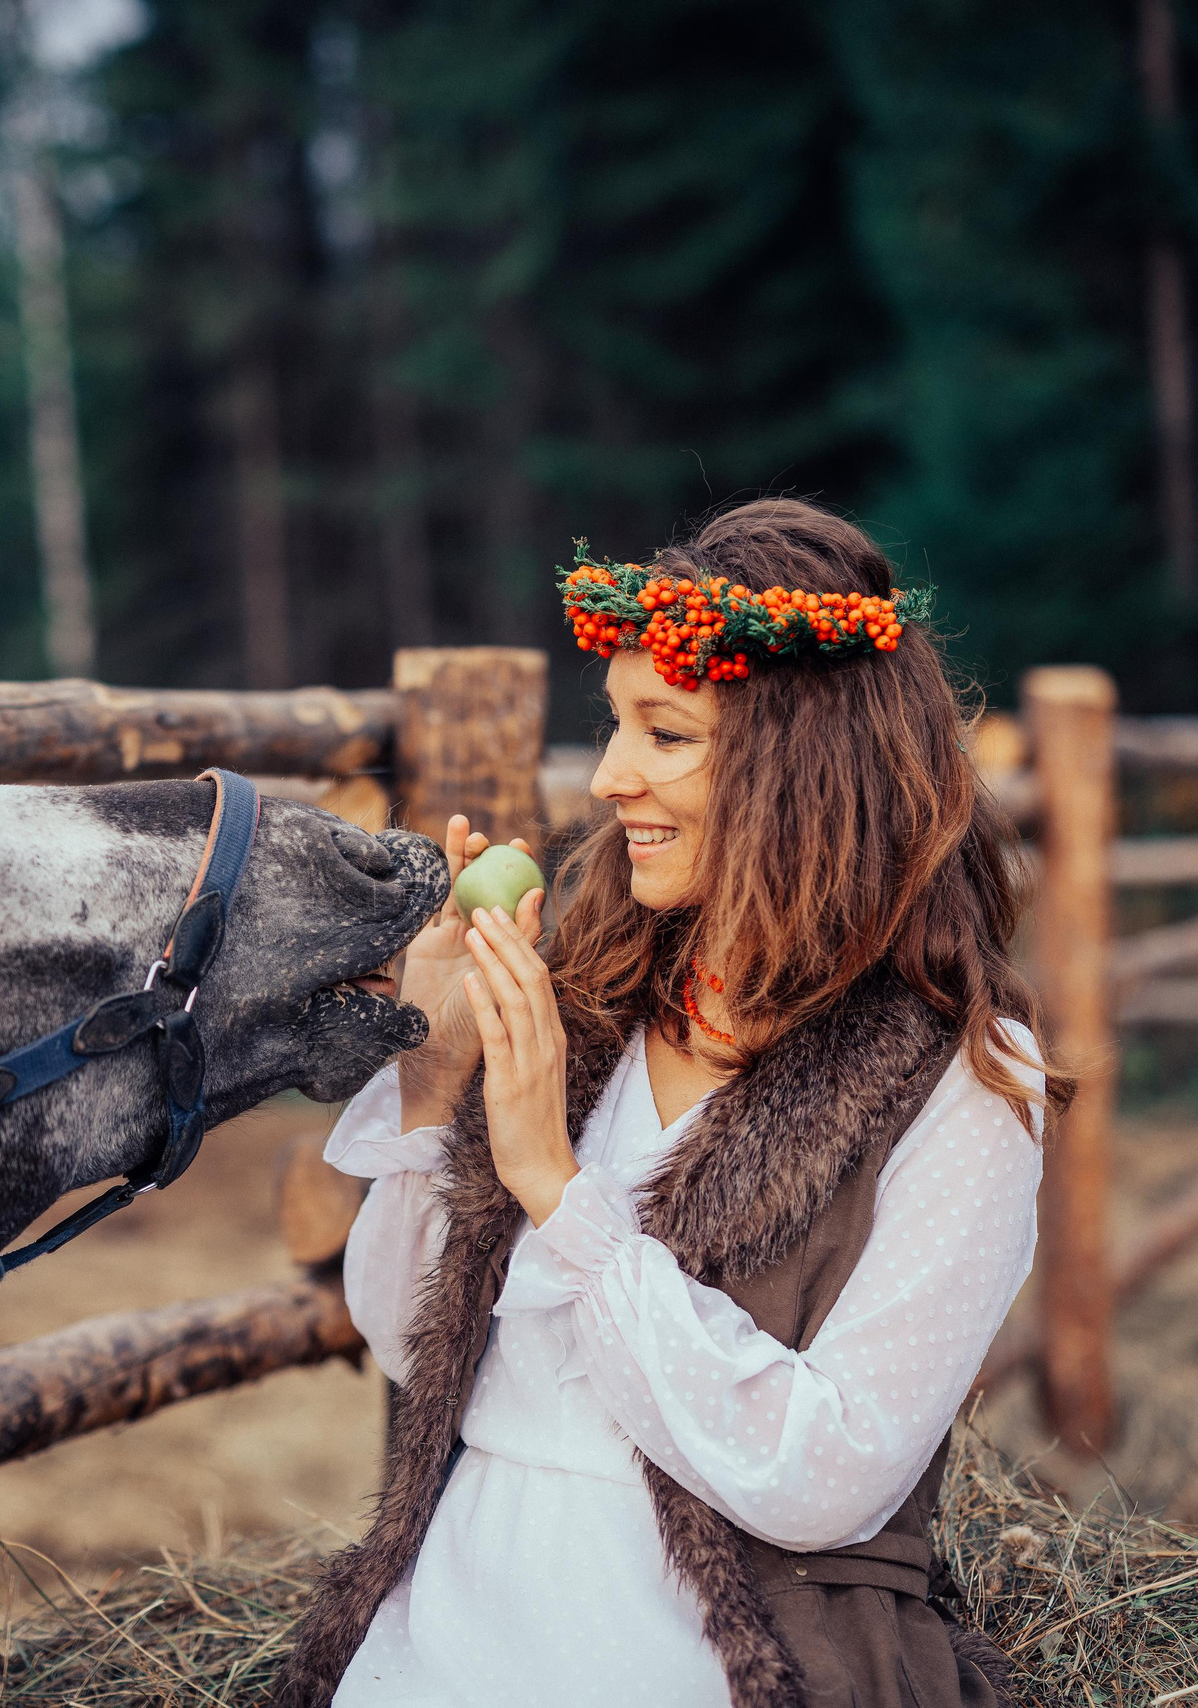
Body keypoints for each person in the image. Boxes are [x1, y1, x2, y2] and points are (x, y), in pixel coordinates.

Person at [277, 498, 1067, 1708]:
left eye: (666, 733)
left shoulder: (960, 1077)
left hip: (730, 1657)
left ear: (802, 762)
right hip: (443, 1633)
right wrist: (436, 1078)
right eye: (614, 724)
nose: (608, 776)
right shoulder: (591, 1002)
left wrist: (560, 1193)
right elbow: (410, 1342)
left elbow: (829, 1473)